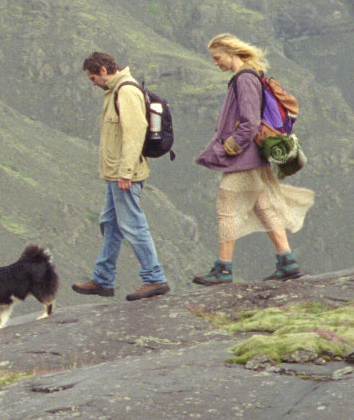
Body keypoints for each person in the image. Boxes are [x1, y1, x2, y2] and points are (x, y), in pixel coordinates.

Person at [193, 33, 314, 284]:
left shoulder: (244, 79)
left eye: (217, 58)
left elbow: (249, 122)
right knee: (264, 206)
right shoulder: (250, 76)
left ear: (231, 52)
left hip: (243, 159)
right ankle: (288, 261)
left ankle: (223, 269)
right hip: (253, 157)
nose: (216, 63)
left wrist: (232, 144)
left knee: (226, 209)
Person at [72, 51, 170, 301]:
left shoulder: (125, 92)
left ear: (103, 70)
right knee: (111, 225)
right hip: (116, 174)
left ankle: (154, 278)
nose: (93, 83)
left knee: (133, 226)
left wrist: (125, 172)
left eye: (93, 77)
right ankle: (103, 279)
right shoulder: (114, 92)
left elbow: (134, 134)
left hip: (125, 174)